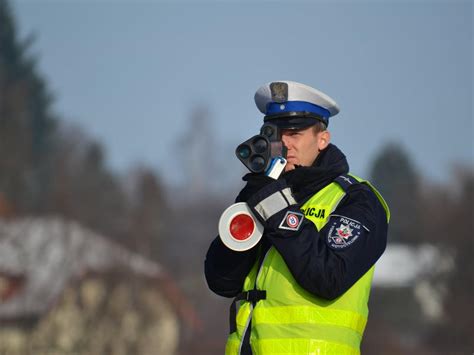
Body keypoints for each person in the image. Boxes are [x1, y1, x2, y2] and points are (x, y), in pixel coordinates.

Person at [204, 81, 390, 355]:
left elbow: (328, 278)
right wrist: (254, 196)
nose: (285, 144)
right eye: (276, 134)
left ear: (322, 139)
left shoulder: (356, 199)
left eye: (295, 133)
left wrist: (275, 206)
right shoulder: (265, 192)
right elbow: (222, 281)